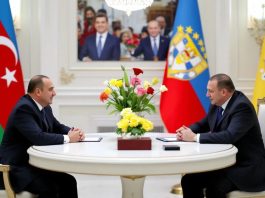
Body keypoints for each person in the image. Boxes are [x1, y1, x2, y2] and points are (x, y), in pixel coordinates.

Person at [176, 74, 265, 198]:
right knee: (189, 181)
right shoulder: (217, 103)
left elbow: (229, 136)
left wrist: (194, 137)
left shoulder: (242, 106)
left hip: (246, 168)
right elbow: (204, 123)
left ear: (223, 92)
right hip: (226, 164)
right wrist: (187, 131)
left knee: (215, 188)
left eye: (210, 91)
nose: (207, 95)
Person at [0, 75, 85, 198]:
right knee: (51, 188)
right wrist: (69, 138)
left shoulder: (44, 107)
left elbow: (57, 126)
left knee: (69, 181)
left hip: (31, 165)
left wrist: (74, 132)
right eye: (50, 89)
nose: (54, 93)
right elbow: (38, 137)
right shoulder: (23, 108)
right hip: (15, 170)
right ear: (38, 92)